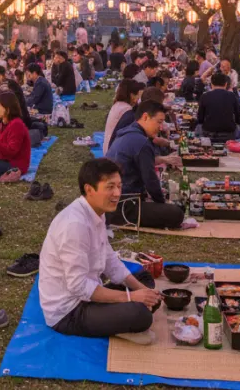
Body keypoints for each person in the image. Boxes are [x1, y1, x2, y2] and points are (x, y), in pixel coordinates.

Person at [39, 159, 161, 342]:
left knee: (144, 279)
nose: (117, 193)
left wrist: (142, 290)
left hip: (90, 293)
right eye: (110, 187)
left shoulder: (96, 212)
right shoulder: (74, 225)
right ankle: (121, 322)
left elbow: (110, 259)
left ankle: (118, 318)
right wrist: (130, 297)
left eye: (119, 186)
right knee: (141, 314)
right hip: (69, 311)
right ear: (89, 189)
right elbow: (78, 286)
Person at [104, 101, 185, 229]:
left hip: (109, 201)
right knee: (176, 213)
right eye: (159, 122)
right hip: (123, 205)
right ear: (145, 117)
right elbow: (150, 180)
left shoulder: (127, 134)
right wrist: (161, 204)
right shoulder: (141, 142)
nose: (161, 127)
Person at [197, 73, 240, 142]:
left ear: (211, 84)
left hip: (209, 133)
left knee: (198, 128)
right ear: (226, 84)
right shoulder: (232, 96)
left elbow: (200, 119)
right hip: (229, 134)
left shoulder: (205, 96)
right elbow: (239, 119)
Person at [103, 79, 143, 152]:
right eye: (137, 95)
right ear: (132, 95)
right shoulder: (127, 111)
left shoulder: (118, 104)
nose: (138, 98)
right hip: (113, 153)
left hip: (107, 148)